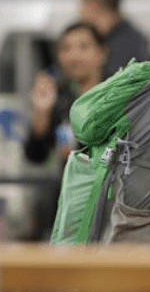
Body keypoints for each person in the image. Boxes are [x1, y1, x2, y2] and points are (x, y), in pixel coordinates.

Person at [24, 21, 108, 240]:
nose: (74, 55)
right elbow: (36, 155)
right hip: (65, 211)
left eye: (83, 47)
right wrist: (41, 111)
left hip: (107, 209)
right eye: (65, 48)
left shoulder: (116, 99)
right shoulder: (59, 99)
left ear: (102, 53)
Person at [78, 0, 149, 77]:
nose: (79, 12)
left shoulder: (124, 46)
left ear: (93, 3)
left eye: (82, 3)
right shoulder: (130, 37)